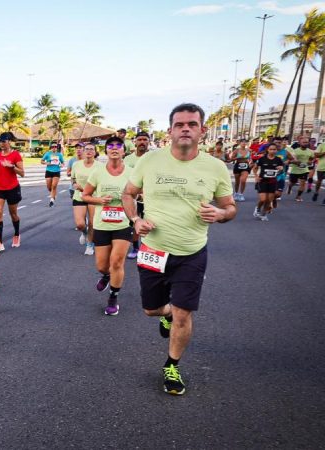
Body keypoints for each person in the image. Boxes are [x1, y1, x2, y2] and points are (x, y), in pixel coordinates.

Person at [122, 103, 236, 396]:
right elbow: (128, 194)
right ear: (170, 130)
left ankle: (171, 365)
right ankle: (166, 311)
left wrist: (221, 215)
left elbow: (229, 207)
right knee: (150, 309)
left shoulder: (215, 167)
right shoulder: (149, 161)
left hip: (191, 253)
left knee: (185, 314)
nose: (186, 128)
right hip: (153, 249)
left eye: (192, 124)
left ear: (202, 130)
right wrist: (135, 219)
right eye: (180, 124)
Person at [81, 136, 134, 316]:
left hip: (123, 222)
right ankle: (105, 275)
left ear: (123, 151)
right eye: (110, 146)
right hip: (102, 224)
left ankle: (113, 297)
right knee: (102, 266)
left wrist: (138, 198)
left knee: (117, 262)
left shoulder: (132, 172)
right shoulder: (97, 172)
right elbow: (85, 196)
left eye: (118, 145)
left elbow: (141, 193)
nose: (114, 148)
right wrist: (99, 199)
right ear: (106, 151)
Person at [0, 131, 24, 249]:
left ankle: (16, 234)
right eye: (0, 141)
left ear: (9, 142)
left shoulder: (16, 155)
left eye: (4, 141)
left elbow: (22, 173)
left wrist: (12, 167)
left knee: (13, 214)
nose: (1, 144)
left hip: (12, 188)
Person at [71, 143, 101, 255]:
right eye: (86, 149)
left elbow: (101, 181)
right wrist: (74, 184)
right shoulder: (76, 164)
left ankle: (90, 244)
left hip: (93, 197)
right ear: (83, 151)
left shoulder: (100, 166)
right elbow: (73, 178)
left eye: (91, 149)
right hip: (79, 196)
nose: (89, 151)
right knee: (80, 224)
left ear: (95, 152)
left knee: (93, 223)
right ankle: (84, 232)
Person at [124, 131, 150, 259]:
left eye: (145, 139)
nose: (142, 142)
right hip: (133, 197)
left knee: (150, 224)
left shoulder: (154, 158)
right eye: (139, 139)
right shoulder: (128, 159)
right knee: (135, 222)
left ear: (148, 142)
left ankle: (148, 248)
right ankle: (135, 247)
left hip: (150, 198)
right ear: (135, 142)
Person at [254, 143, 284, 220]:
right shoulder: (262, 159)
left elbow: (281, 170)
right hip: (262, 181)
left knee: (269, 200)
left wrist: (281, 169)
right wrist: (256, 176)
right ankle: (257, 208)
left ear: (276, 150)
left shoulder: (278, 159)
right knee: (263, 199)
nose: (273, 151)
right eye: (271, 149)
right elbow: (255, 168)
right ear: (267, 150)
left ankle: (263, 214)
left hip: (273, 181)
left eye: (274, 149)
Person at [288, 136, 315, 202]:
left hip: (304, 170)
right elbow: (290, 161)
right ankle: (290, 187)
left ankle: (298, 196)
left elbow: (311, 158)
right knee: (292, 182)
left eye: (306, 142)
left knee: (303, 183)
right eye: (303, 142)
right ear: (300, 143)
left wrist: (310, 161)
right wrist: (295, 162)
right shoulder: (295, 151)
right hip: (295, 170)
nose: (305, 143)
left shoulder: (310, 151)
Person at [313, 139, 325, 203]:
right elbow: (316, 155)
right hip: (322, 167)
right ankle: (316, 192)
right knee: (319, 181)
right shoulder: (322, 145)